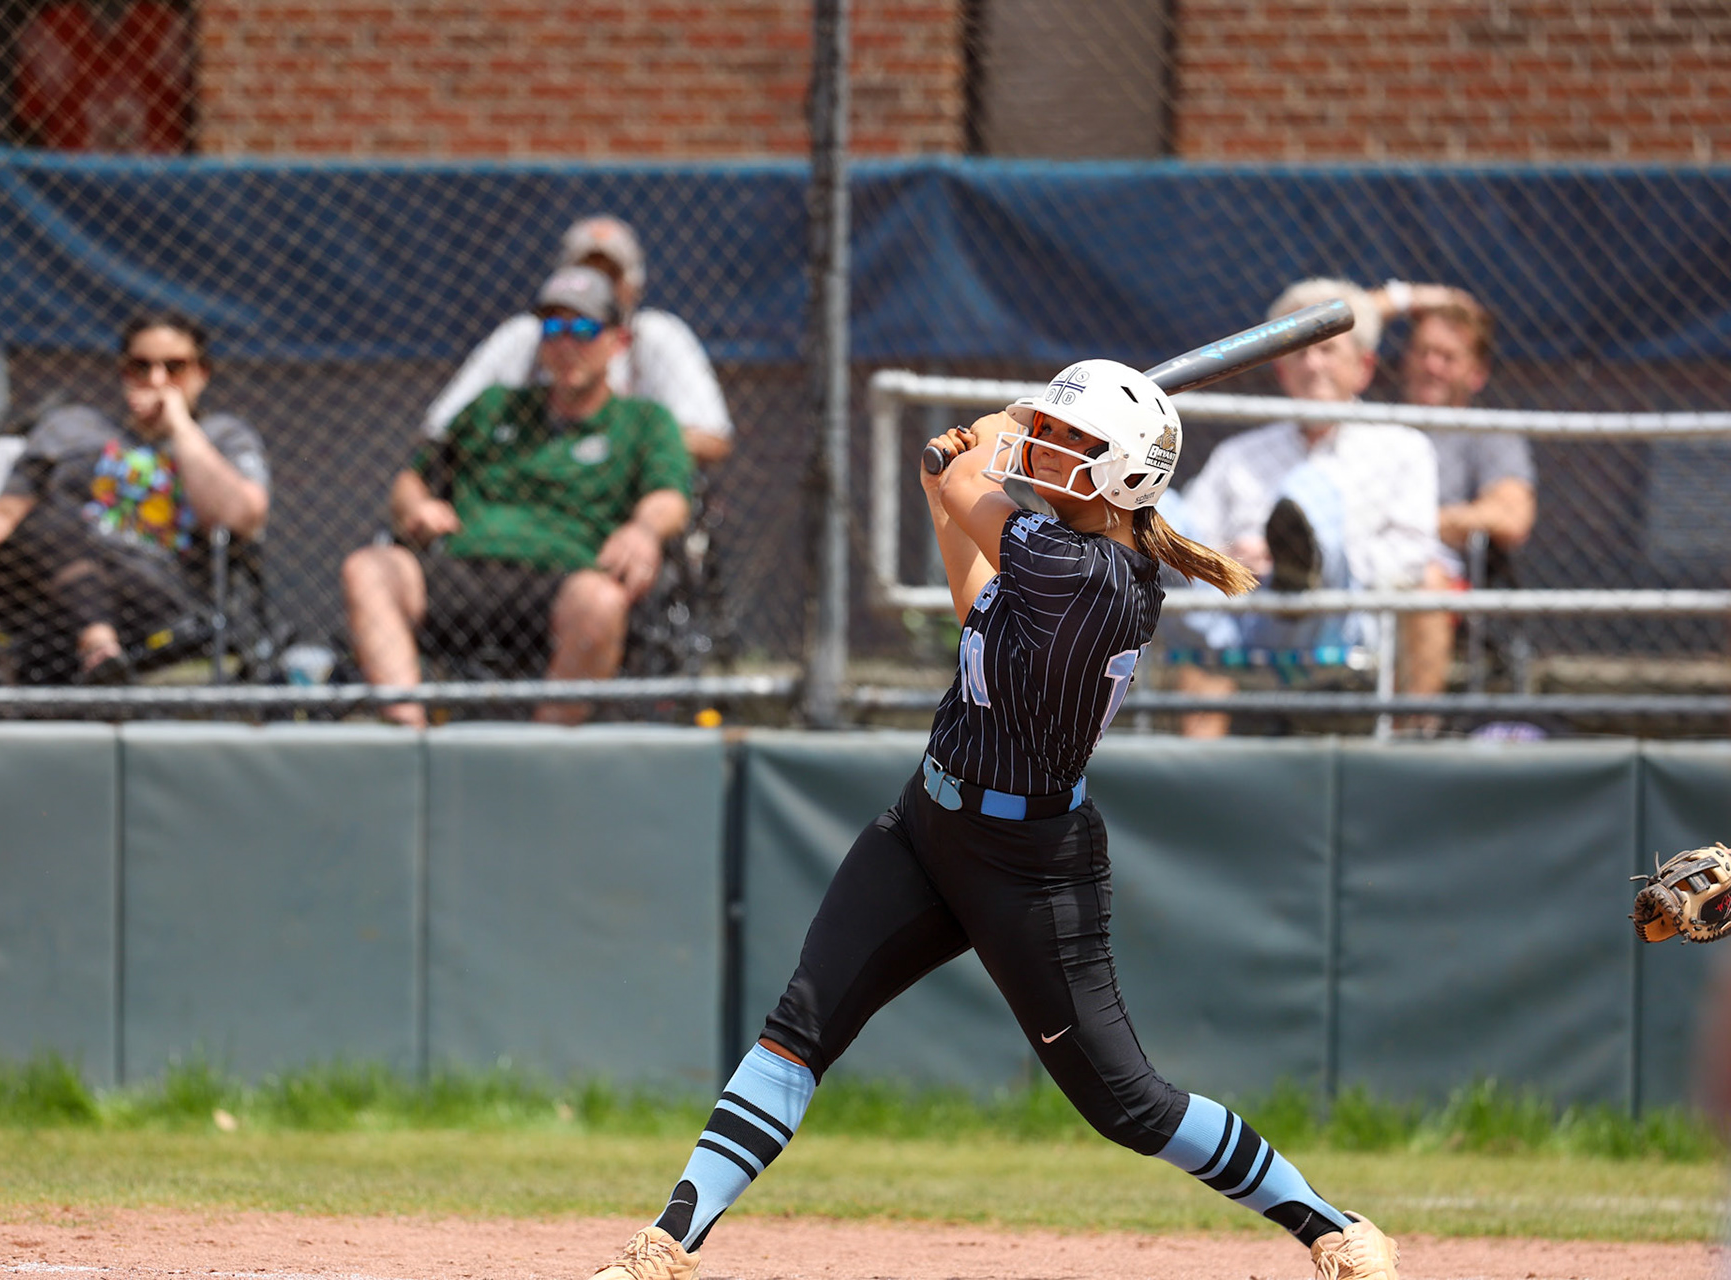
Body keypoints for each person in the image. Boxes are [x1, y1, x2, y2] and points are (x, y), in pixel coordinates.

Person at [587, 360, 1400, 1280]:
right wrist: (948, 480)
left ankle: (1333, 1228)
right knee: (798, 1028)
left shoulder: (1091, 570)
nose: (1041, 448)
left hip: (1031, 864)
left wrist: (992, 428)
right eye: (1045, 434)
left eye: (1066, 440)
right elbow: (973, 594)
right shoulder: (1052, 548)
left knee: (1127, 1104)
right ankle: (666, 1244)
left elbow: (975, 486)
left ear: (1124, 472)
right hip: (925, 826)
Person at [340, 264, 692, 727]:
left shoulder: (644, 421)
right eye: (553, 328)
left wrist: (643, 530)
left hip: (564, 578)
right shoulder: (494, 407)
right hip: (466, 566)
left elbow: (670, 497)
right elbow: (413, 479)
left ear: (617, 342)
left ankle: (540, 757)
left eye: (582, 329)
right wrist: (416, 506)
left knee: (602, 602)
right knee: (367, 569)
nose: (565, 345)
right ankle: (411, 740)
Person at [1168, 278, 1439, 737]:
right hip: (1236, 619)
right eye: (1298, 353)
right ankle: (1090, 505)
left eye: (1326, 350)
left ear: (1365, 367)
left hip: (1340, 618)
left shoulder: (1403, 447)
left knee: (1311, 494)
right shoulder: (1239, 454)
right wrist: (1236, 556)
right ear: (1281, 370)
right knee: (1164, 514)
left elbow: (1411, 553)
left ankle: (1306, 558)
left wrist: (1328, 559)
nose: (1312, 364)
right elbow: (1200, 535)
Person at [0, 311, 270, 682]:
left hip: (155, 586)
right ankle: (100, 649)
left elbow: (242, 518)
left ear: (201, 373)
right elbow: (18, 497)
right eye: (141, 367)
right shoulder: (73, 426)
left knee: (69, 539)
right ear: (124, 373)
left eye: (174, 368)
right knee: (50, 520)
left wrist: (179, 427)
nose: (157, 380)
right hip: (55, 569)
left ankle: (97, 649)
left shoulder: (224, 436)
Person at [420, 215, 735, 467]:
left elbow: (712, 438)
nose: (598, 288)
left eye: (611, 276)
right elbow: (441, 427)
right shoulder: (526, 334)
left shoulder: (655, 335)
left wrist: (605, 446)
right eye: (587, 272)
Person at [1379, 293, 1536, 711]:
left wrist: (1420, 522)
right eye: (1423, 352)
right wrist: (1410, 296)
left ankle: (1409, 742)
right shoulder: (1370, 426)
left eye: (1448, 357)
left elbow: (1512, 516)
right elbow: (1330, 317)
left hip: (1432, 573)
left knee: (1425, 581)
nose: (1432, 366)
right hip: (1356, 559)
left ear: (1476, 373)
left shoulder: (1487, 434)